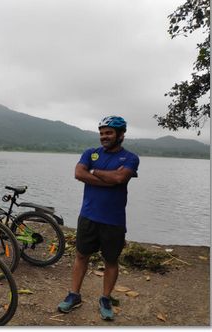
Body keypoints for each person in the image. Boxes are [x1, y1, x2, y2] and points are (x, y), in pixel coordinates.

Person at [57, 116, 139, 321]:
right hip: (88, 216)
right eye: (102, 133)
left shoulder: (130, 158)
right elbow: (78, 173)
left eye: (109, 132)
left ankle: (105, 298)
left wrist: (93, 173)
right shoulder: (90, 153)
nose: (104, 136)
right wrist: (106, 177)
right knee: (81, 255)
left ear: (121, 134)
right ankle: (74, 295)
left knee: (111, 260)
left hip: (114, 220)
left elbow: (120, 178)